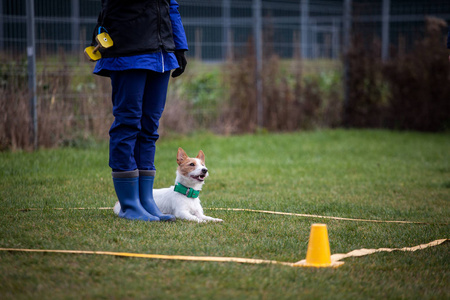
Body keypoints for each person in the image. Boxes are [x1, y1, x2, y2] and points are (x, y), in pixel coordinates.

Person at [91, 0, 188, 221]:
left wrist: (180, 46)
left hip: (162, 54)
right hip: (128, 51)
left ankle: (145, 200)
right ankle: (129, 204)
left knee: (150, 126)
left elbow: (170, 5)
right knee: (127, 124)